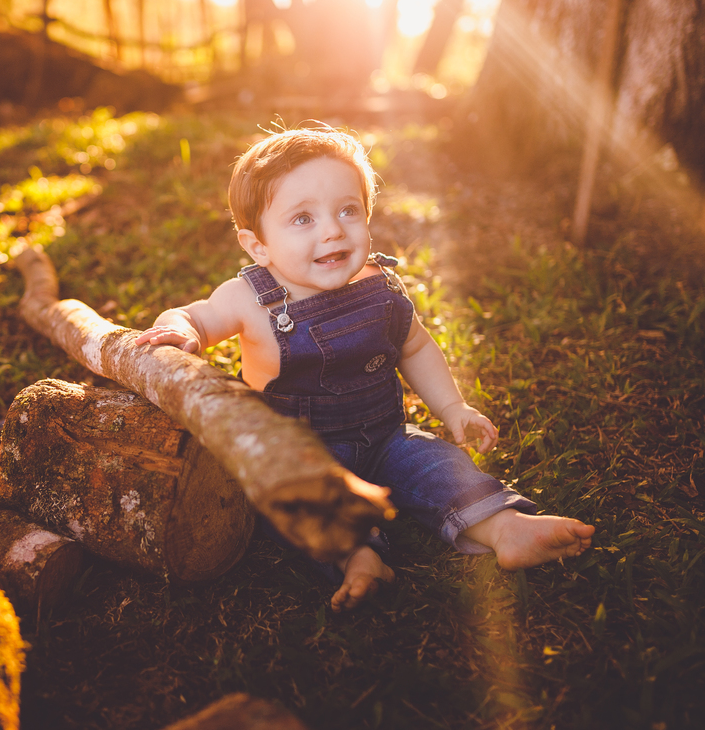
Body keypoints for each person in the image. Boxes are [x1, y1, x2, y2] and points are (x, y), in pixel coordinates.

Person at [133, 124, 595, 611]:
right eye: (303, 218)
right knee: (292, 506)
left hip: (386, 437)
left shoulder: (379, 283)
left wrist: (452, 407)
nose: (333, 230)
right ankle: (359, 557)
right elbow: (192, 316)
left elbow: (415, 347)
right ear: (257, 245)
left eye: (348, 210)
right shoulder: (248, 298)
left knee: (439, 466)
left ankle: (503, 526)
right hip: (300, 456)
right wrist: (181, 331)